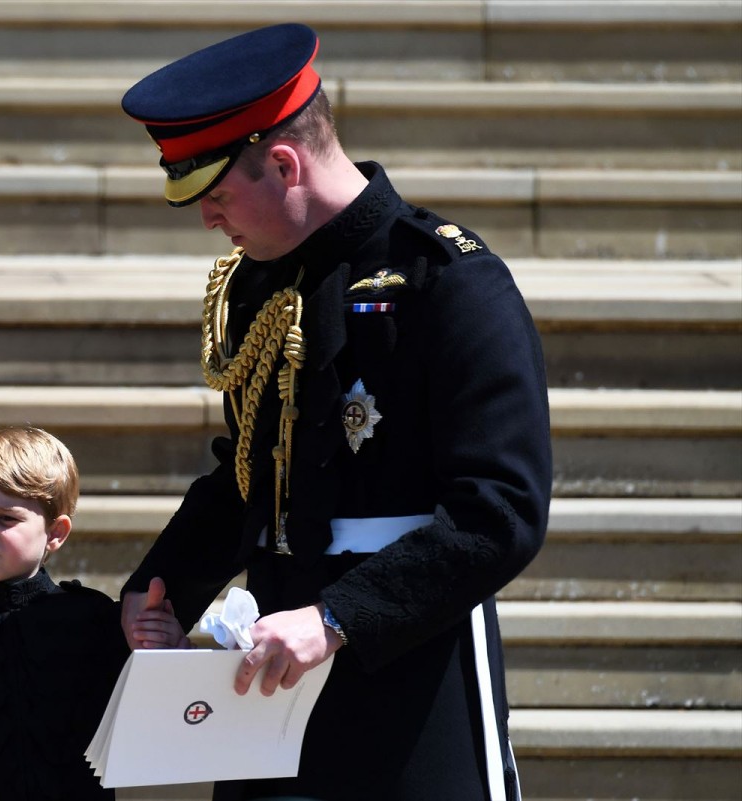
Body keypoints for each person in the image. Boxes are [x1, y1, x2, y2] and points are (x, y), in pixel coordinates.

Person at [117, 23, 553, 801]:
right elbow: (250, 472)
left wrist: (339, 616)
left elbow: (501, 512)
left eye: (217, 194)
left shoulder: (447, 280)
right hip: (272, 668)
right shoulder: (259, 284)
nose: (208, 220)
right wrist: (158, 590)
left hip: (411, 665)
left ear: (284, 163)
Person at [0, 426, 186, 800]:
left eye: (6, 518)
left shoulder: (95, 621)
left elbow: (160, 726)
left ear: (55, 533)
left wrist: (172, 655)